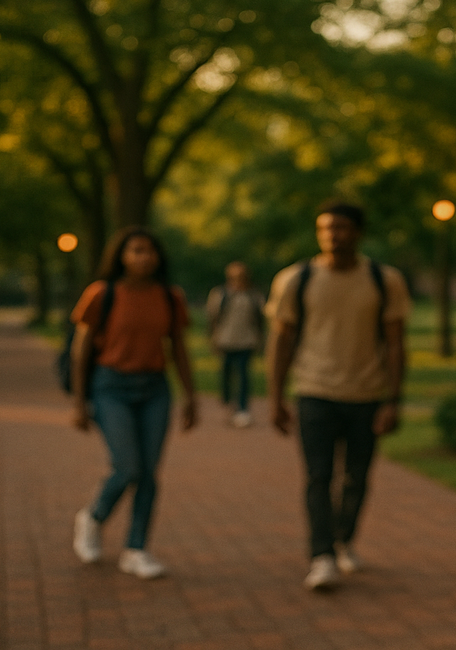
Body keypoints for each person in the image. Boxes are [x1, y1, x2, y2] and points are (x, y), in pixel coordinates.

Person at [266, 200, 410, 590]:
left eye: (341, 228)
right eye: (326, 228)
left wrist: (393, 399)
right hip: (314, 391)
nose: (333, 235)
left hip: (366, 393)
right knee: (318, 476)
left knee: (357, 477)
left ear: (358, 233)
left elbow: (396, 343)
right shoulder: (295, 280)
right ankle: (322, 556)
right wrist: (276, 397)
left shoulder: (384, 280)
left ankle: (343, 539)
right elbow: (281, 341)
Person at [69, 227, 198, 580]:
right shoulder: (102, 294)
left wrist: (191, 397)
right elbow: (81, 351)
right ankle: (93, 517)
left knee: (149, 472)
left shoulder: (169, 297)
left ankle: (136, 549)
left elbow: (179, 348)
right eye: (136, 250)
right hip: (111, 387)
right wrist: (79, 403)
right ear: (122, 256)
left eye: (150, 251)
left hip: (155, 388)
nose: (145, 257)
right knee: (128, 467)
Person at [206, 261, 266, 428]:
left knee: (244, 376)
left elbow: (259, 321)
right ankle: (228, 403)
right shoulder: (220, 295)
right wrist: (212, 338)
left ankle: (242, 409)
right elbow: (213, 319)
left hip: (247, 342)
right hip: (225, 341)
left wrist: (261, 341)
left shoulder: (254, 296)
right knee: (225, 375)